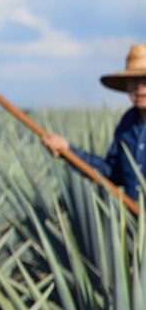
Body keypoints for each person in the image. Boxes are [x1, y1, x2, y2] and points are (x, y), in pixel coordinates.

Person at [40, 43, 146, 201]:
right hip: (137, 223)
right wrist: (68, 150)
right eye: (133, 79)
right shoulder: (127, 123)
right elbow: (112, 171)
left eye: (144, 79)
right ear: (126, 85)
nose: (139, 87)